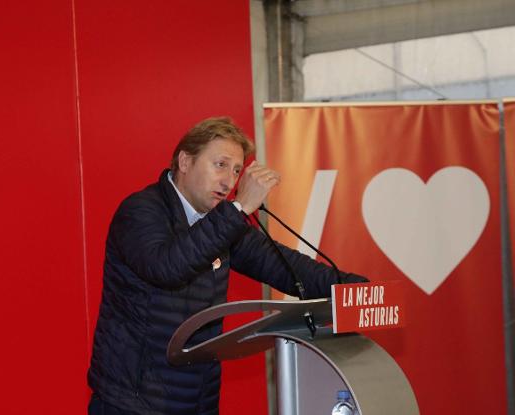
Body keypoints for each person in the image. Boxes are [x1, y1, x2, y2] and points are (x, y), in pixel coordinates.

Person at [87, 117, 367, 415]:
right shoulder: (140, 212)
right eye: (219, 165)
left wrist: (359, 290)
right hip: (133, 403)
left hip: (197, 401)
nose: (229, 181)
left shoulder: (222, 224)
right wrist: (238, 208)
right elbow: (168, 268)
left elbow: (287, 267)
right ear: (184, 161)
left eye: (236, 171)